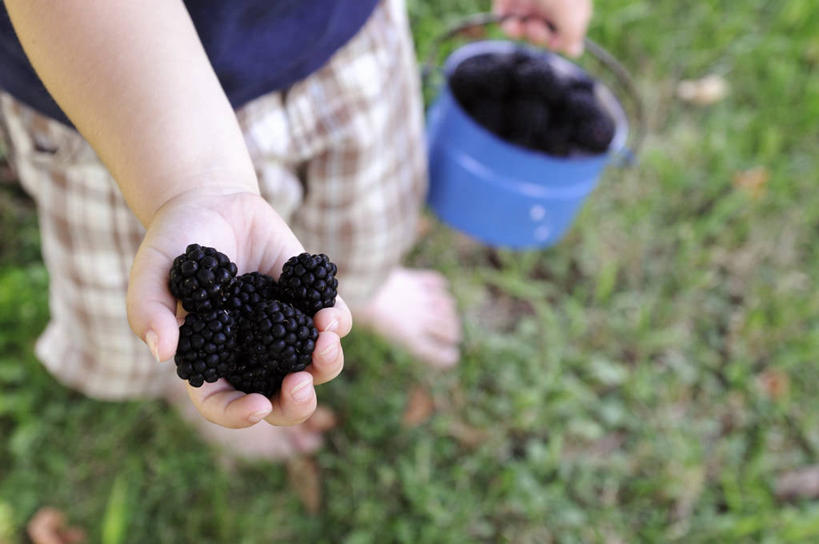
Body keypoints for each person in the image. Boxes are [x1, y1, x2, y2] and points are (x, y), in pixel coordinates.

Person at [0, 0, 592, 460]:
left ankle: (368, 288)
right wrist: (194, 188)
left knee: (365, 223)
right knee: (150, 316)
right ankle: (188, 383)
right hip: (122, 99)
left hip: (340, 40)